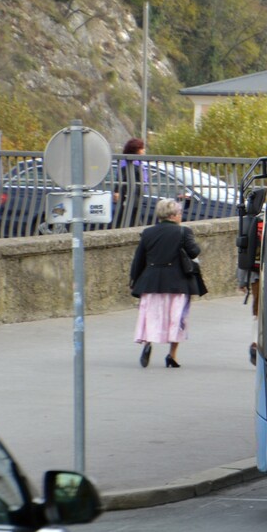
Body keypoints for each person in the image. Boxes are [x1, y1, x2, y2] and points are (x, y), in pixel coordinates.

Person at [129, 198, 201, 368]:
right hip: (178, 282)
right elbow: (194, 252)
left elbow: (139, 259)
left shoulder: (148, 233)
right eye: (180, 213)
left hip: (151, 281)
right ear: (174, 215)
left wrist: (134, 280)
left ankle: (147, 343)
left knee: (151, 315)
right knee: (176, 318)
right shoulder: (184, 232)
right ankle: (172, 355)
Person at [238, 187, 267, 366]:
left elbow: (243, 251)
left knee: (258, 313)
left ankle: (255, 343)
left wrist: (242, 280)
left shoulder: (251, 221)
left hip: (257, 275)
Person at [114, 138, 147, 229]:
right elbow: (121, 178)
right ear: (135, 149)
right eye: (141, 148)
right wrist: (117, 191)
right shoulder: (127, 163)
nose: (144, 150)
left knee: (134, 218)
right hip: (129, 195)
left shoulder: (138, 162)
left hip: (136, 195)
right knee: (129, 218)